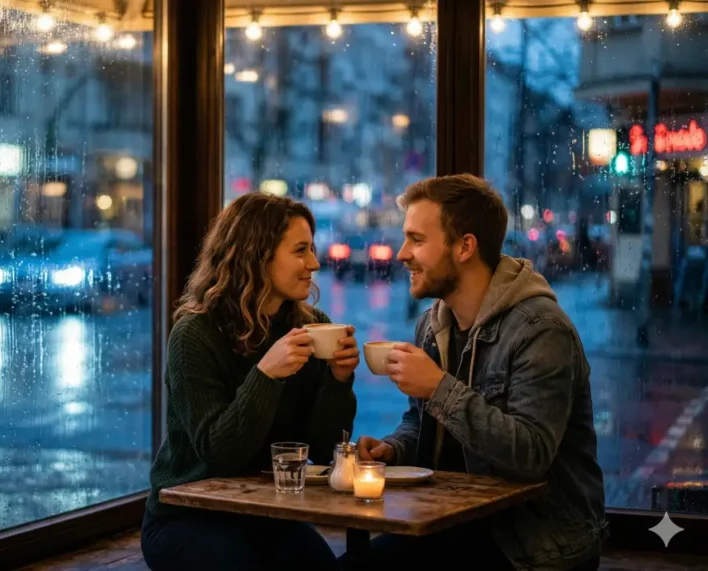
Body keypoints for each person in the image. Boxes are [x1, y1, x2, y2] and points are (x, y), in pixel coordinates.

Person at [356, 174, 607, 570]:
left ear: (465, 247)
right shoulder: (432, 325)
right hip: (449, 525)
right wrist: (394, 448)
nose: (402, 253)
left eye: (417, 240)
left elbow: (530, 455)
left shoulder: (540, 329)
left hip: (531, 547)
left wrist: (438, 388)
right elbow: (422, 421)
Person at [141, 192, 359, 571]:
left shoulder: (311, 325)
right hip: (187, 518)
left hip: (269, 517)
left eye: (312, 249)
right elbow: (218, 454)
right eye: (300, 250)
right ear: (257, 256)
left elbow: (323, 453)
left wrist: (339, 381)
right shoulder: (196, 333)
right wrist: (266, 375)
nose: (314, 263)